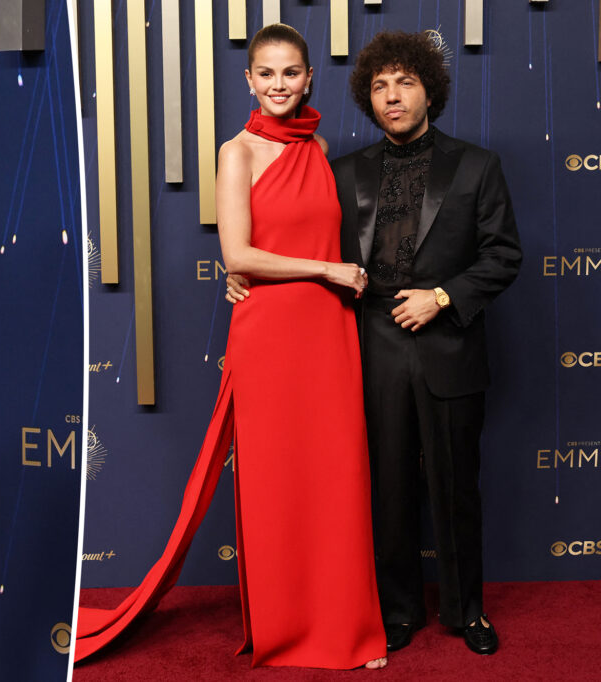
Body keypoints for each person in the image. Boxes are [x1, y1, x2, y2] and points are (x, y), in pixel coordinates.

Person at [76, 24, 387, 670]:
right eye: (266, 74)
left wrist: (308, 274)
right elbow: (238, 253)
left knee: (337, 481)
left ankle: (346, 629)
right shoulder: (236, 151)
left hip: (327, 334)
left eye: (291, 73)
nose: (279, 85)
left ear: (309, 78)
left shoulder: (320, 146)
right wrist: (329, 270)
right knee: (278, 484)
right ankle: (288, 632)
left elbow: (283, 240)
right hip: (273, 334)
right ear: (249, 80)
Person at [229, 29, 521, 656]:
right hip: (366, 350)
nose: (393, 96)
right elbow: (297, 237)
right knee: (385, 492)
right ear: (368, 96)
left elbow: (503, 256)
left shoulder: (477, 166)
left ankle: (468, 611)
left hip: (449, 349)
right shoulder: (341, 169)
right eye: (380, 86)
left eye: (405, 83)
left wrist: (442, 298)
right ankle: (397, 612)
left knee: (455, 486)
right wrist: (237, 271)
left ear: (429, 91)